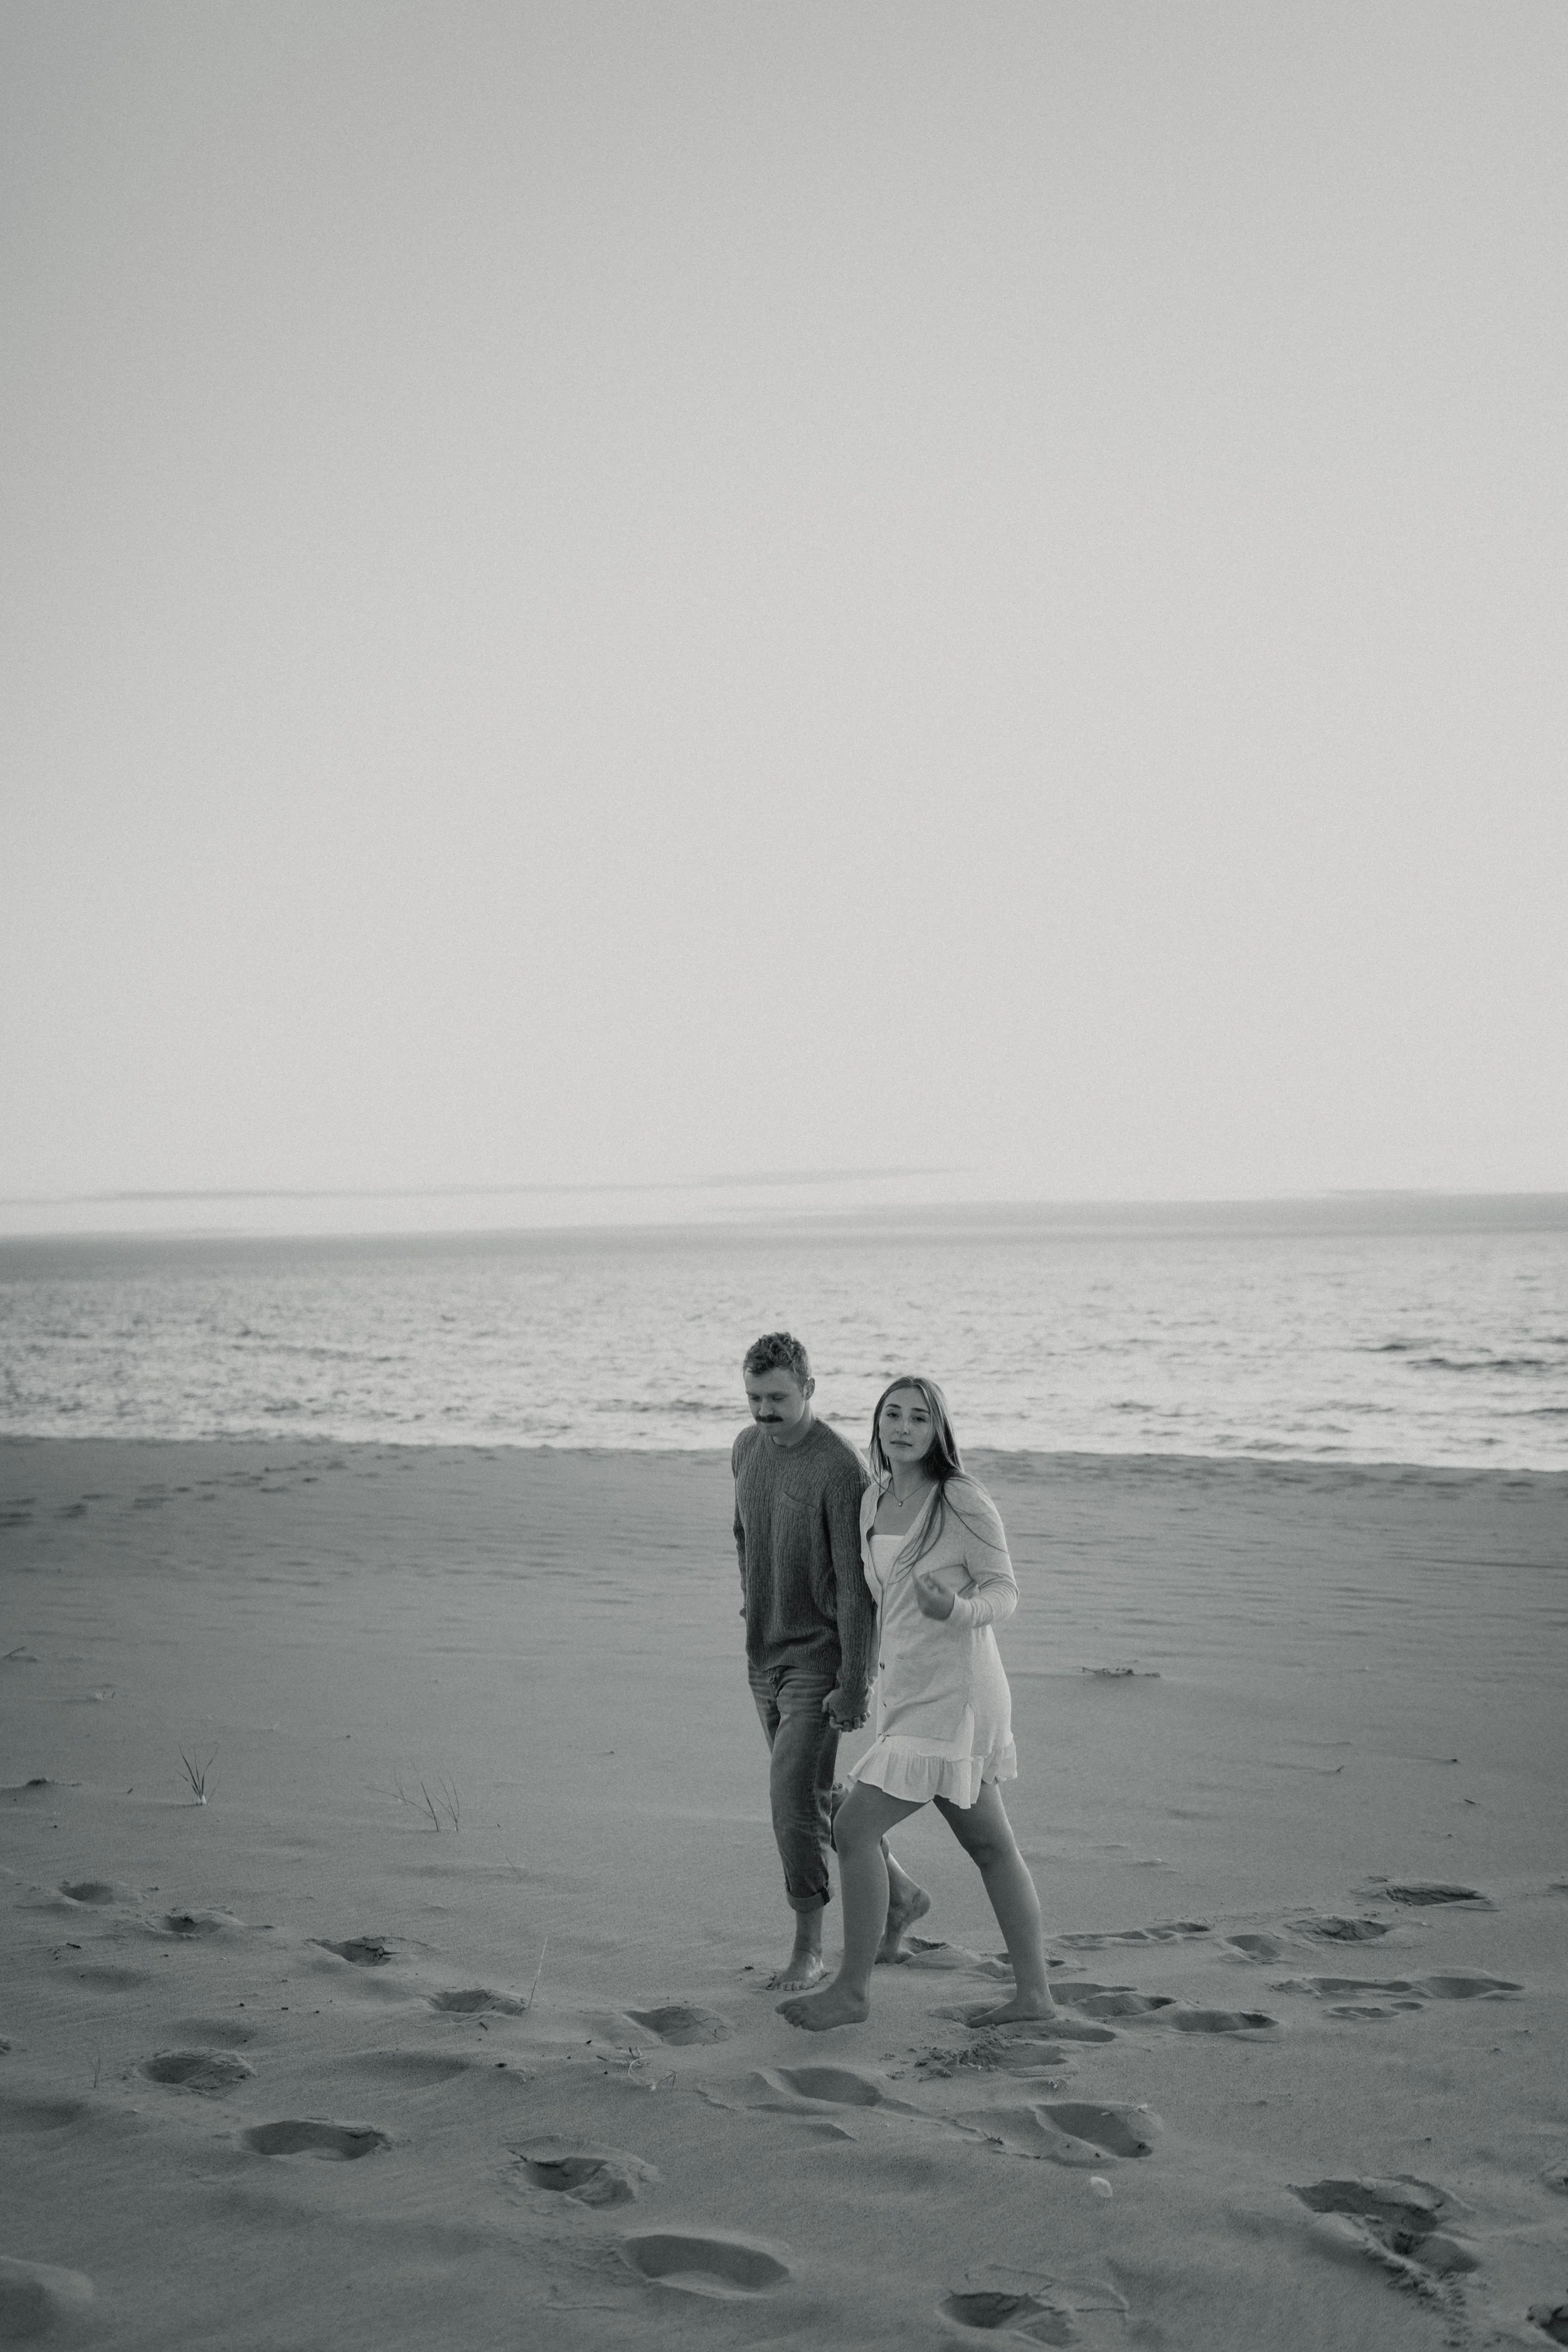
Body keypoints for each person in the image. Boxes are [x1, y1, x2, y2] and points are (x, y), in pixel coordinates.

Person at [778, 1374, 1057, 2033]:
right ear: (877, 1424)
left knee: (852, 1824)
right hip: (908, 1694)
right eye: (892, 1415)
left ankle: (851, 1990)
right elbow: (876, 1599)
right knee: (990, 1847)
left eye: (919, 1419)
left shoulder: (960, 1499)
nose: (903, 1428)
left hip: (958, 1696)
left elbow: (1004, 1593)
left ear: (938, 1431)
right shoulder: (874, 1499)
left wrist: (955, 1608)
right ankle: (1035, 1997)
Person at [733, 1333, 931, 1991]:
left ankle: (808, 1948)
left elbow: (856, 1588)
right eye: (755, 1398)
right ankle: (900, 1896)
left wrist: (853, 1682)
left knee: (789, 1800)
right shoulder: (744, 1450)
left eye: (778, 1399)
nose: (764, 1411)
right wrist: (752, 1606)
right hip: (763, 1653)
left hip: (819, 1661)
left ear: (810, 1390)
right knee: (815, 1795)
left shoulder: (839, 1472)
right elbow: (744, 1537)